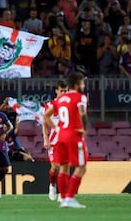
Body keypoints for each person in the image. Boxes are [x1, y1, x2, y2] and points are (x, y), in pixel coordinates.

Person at [44, 72, 88, 209]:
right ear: (77, 84)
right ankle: (69, 197)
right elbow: (82, 112)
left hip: (61, 136)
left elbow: (46, 116)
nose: (83, 85)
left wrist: (57, 129)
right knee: (81, 167)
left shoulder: (60, 100)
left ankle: (63, 198)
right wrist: (84, 128)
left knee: (63, 167)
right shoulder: (80, 97)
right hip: (73, 135)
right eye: (82, 83)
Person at [42, 80, 68, 201]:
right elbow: (44, 122)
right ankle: (52, 185)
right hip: (53, 141)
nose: (64, 93)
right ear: (56, 91)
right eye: (61, 91)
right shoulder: (50, 105)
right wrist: (45, 138)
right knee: (55, 167)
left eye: (65, 90)